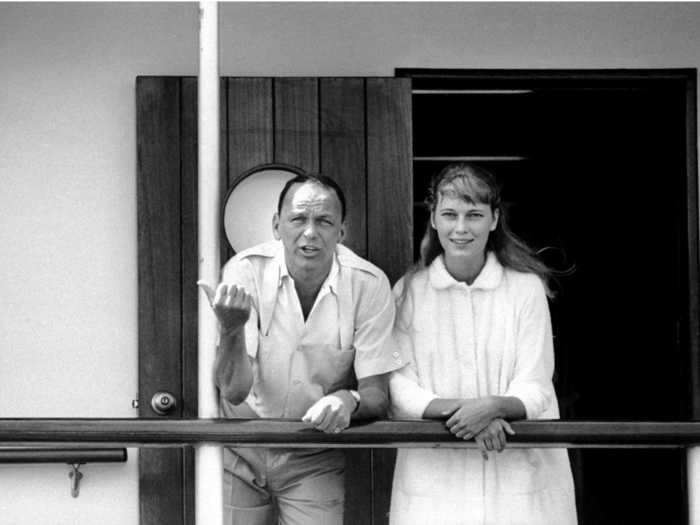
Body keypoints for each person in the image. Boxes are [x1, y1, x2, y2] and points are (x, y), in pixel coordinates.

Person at [199, 173, 405, 525]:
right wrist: (231, 329)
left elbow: (377, 395)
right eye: (298, 219)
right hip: (240, 447)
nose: (310, 232)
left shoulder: (368, 284)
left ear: (342, 231)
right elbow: (234, 392)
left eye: (324, 221)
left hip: (315, 452)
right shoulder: (245, 270)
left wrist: (347, 400)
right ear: (277, 225)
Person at [388, 163, 577, 525]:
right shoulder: (408, 292)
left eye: (474, 215)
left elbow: (536, 384)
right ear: (433, 218)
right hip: (436, 481)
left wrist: (493, 406)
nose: (461, 228)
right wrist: (470, 412)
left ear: (493, 219)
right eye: (450, 214)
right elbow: (398, 386)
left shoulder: (525, 289)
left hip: (519, 476)